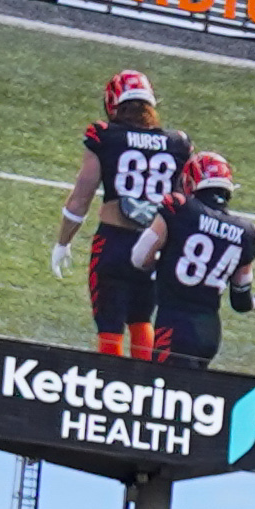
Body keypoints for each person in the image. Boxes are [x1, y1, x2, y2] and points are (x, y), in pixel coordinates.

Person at [48, 65, 193, 357]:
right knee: (142, 321)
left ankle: (112, 392)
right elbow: (184, 203)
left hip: (114, 243)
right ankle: (145, 390)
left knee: (110, 327)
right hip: (154, 247)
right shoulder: (177, 143)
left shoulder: (105, 136)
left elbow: (80, 198)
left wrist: (63, 241)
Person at [132, 146, 255, 368]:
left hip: (176, 325)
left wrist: (163, 263)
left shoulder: (181, 208)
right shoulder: (247, 233)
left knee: (166, 393)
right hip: (210, 332)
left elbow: (139, 258)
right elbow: (241, 301)